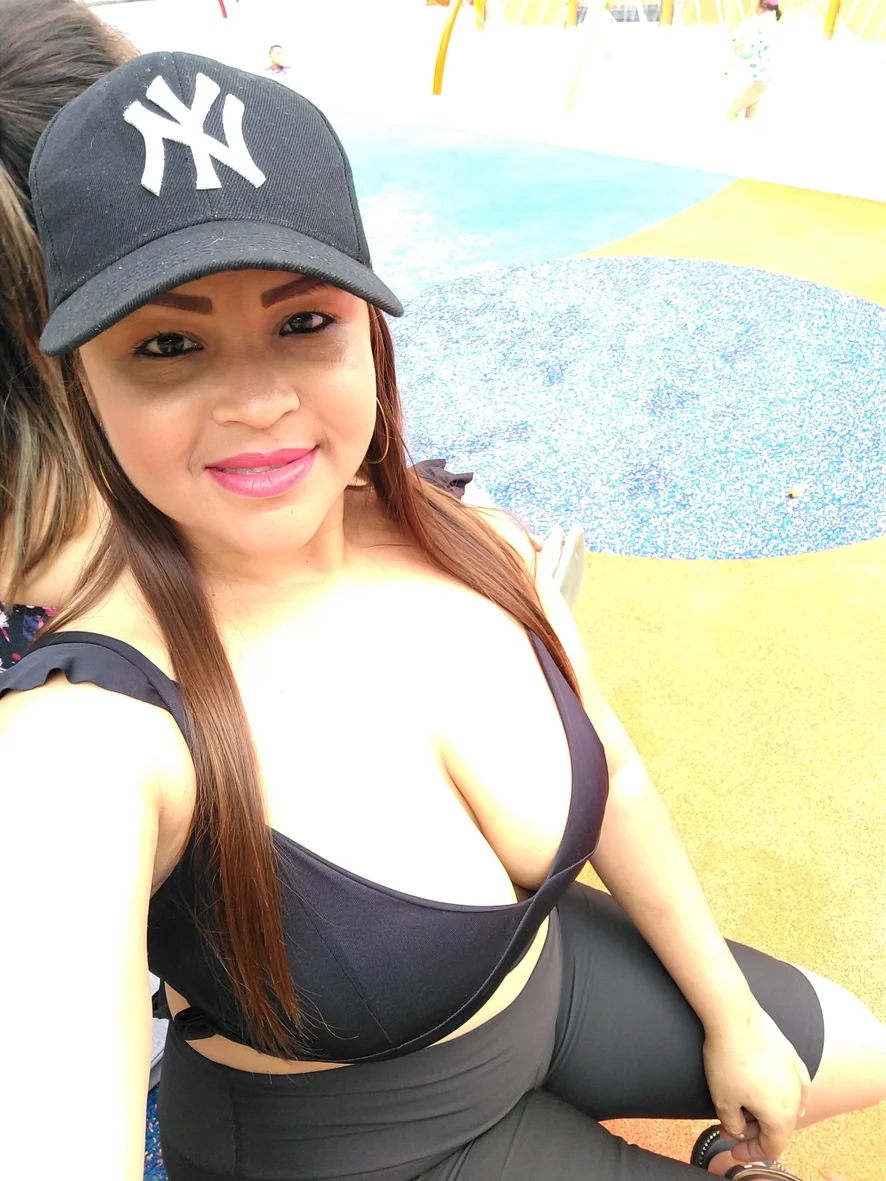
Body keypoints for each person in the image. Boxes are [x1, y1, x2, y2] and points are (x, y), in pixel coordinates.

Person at [3, 52, 885, 1181]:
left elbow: (610, 767)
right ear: (80, 382)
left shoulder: (465, 533)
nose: (259, 401)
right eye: (168, 344)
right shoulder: (84, 739)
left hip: (544, 979)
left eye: (303, 319)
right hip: (365, 1137)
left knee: (855, 1050)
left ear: (368, 328)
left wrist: (733, 1014)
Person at [727, 0, 782, 124]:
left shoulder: (761, 21)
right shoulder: (767, 19)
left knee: (754, 96)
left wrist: (738, 50)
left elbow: (749, 44)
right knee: (755, 96)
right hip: (761, 70)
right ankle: (739, 120)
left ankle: (736, 119)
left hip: (758, 69)